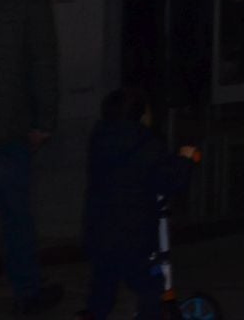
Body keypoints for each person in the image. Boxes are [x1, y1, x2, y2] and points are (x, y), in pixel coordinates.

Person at [79, 87, 198, 320]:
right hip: (134, 236)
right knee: (150, 287)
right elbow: (168, 180)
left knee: (103, 288)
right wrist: (185, 160)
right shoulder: (145, 144)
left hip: (98, 231)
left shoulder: (100, 139)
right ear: (142, 115)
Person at [0, 0, 61, 315]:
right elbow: (43, 63)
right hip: (10, 124)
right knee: (17, 214)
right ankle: (26, 290)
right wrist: (44, 121)